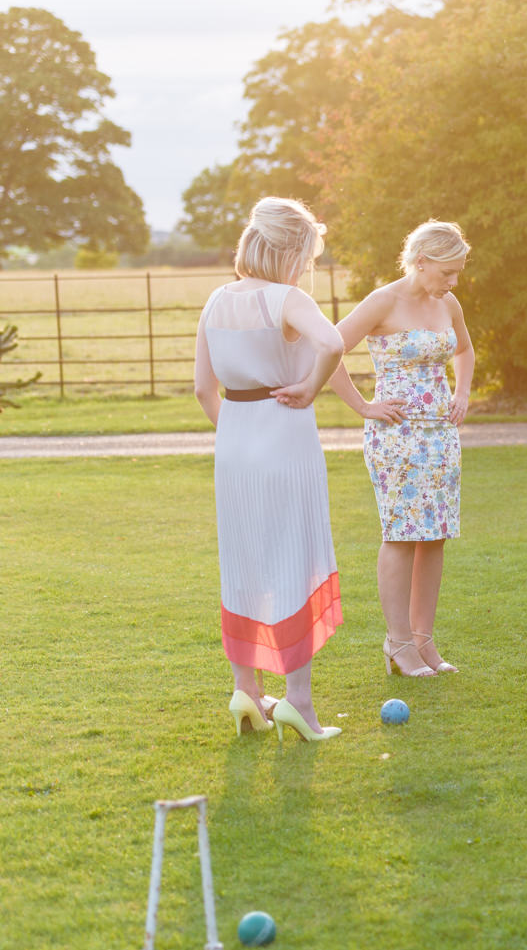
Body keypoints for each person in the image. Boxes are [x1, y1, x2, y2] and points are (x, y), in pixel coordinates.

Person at [193, 196, 346, 742]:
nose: (307, 268)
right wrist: (310, 387)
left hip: (233, 445)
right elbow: (331, 341)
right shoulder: (287, 297)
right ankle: (299, 704)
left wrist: (237, 434)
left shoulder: (216, 299)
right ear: (291, 252)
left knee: (244, 560)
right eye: (306, 257)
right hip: (285, 439)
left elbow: (202, 389)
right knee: (292, 559)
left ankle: (248, 692)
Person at [328, 221, 474, 678]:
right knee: (402, 534)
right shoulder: (383, 301)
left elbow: (465, 350)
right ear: (422, 261)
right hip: (396, 438)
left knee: (435, 535)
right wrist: (363, 406)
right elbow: (327, 349)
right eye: (447, 271)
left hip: (441, 437)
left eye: (458, 273)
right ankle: (397, 643)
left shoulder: (447, 302)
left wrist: (464, 392)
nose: (453, 282)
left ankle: (423, 639)